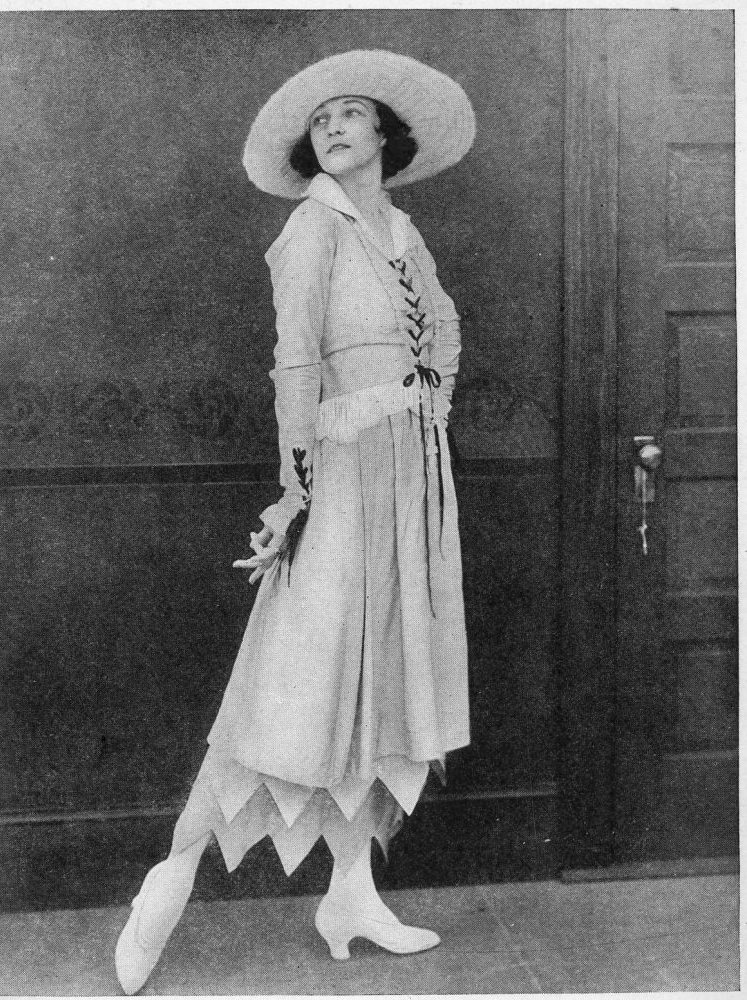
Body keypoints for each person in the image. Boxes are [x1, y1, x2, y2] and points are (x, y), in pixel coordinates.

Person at [115, 49, 474, 995]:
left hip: (411, 478)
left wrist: (425, 410)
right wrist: (296, 488)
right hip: (343, 475)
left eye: (351, 112)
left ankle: (351, 892)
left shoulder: (403, 231)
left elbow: (442, 329)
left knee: (385, 677)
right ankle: (172, 875)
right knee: (293, 684)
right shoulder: (311, 229)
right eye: (321, 120)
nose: (336, 127)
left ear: (385, 133)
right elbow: (296, 364)